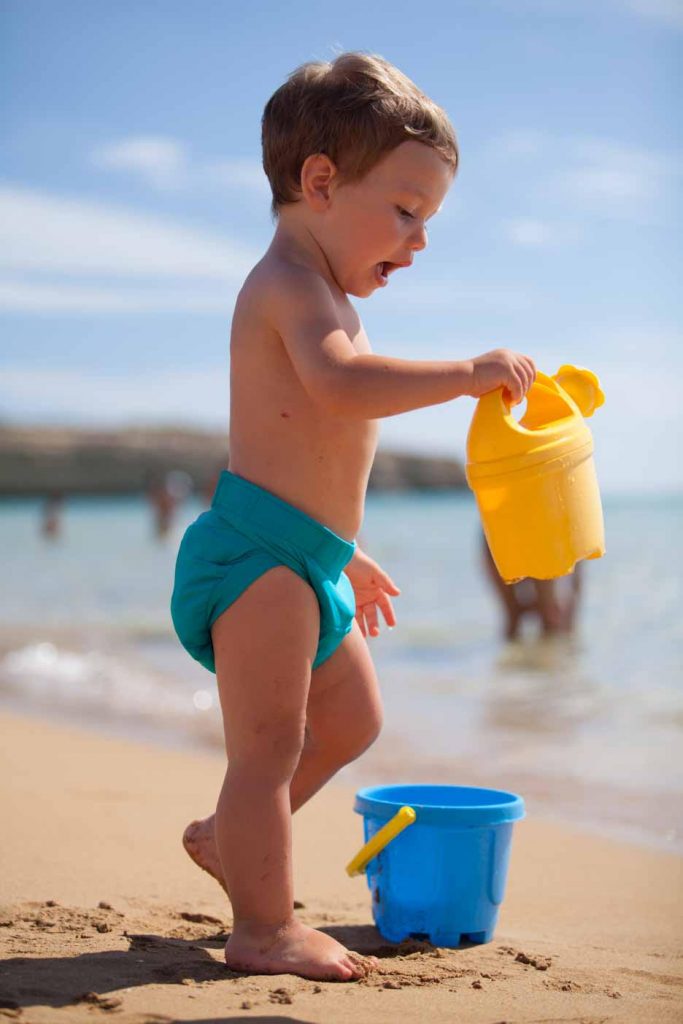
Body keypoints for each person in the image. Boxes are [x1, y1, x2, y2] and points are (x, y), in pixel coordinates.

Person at [170, 51, 536, 983]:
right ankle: (262, 925)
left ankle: (231, 839)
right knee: (269, 746)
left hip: (303, 553)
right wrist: (465, 375)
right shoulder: (287, 285)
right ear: (320, 181)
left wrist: (347, 553)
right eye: (406, 211)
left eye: (430, 221)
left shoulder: (327, 289)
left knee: (353, 719)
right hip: (256, 557)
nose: (417, 242)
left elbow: (311, 454)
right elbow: (338, 388)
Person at [481, 532, 583, 641]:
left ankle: (513, 651)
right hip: (544, 530)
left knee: (518, 617)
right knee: (551, 615)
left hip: (502, 529)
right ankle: (561, 649)